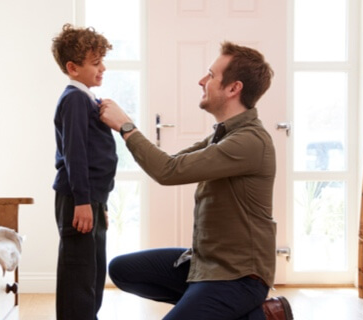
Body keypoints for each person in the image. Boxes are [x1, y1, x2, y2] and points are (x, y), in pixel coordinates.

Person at [99, 42, 294, 320]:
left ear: (232, 88)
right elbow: (170, 163)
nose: (202, 81)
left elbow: (168, 171)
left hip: (238, 278)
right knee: (122, 269)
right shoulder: (224, 135)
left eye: (211, 75)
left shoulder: (249, 141)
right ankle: (252, 316)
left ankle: (251, 313)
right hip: (204, 265)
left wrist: (126, 126)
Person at [50, 23, 117, 320]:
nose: (102, 68)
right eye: (95, 63)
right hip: (78, 198)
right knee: (79, 275)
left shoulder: (87, 97)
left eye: (102, 61)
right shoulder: (75, 99)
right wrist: (82, 201)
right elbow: (75, 153)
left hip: (91, 198)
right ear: (73, 68)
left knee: (93, 272)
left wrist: (97, 202)